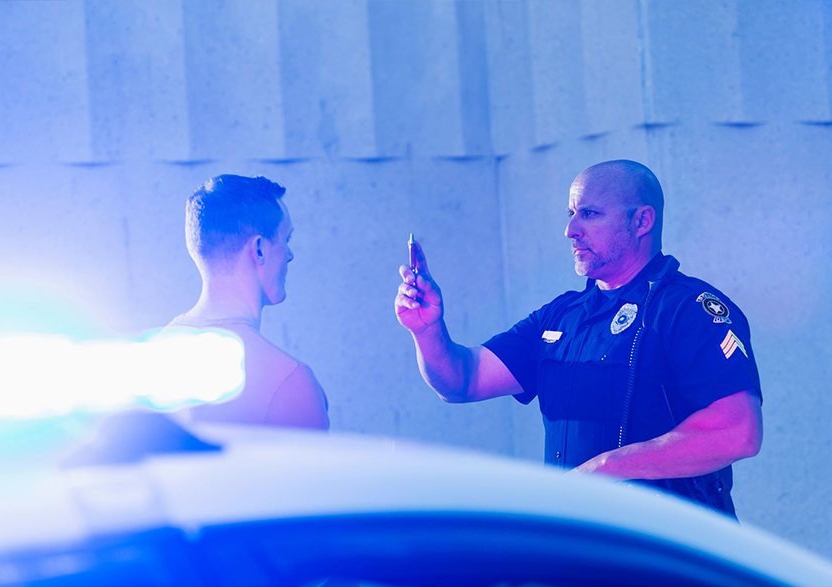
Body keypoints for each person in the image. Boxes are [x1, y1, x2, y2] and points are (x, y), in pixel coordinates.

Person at [394, 160, 762, 517]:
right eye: (570, 214)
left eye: (589, 214)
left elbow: (739, 431)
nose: (570, 230)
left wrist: (608, 468)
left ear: (642, 221)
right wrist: (427, 331)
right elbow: (461, 381)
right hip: (582, 557)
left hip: (672, 560)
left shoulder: (689, 309)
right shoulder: (561, 316)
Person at [168, 174, 329, 430]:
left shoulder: (145, 368)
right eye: (286, 239)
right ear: (260, 249)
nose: (290, 255)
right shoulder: (290, 383)